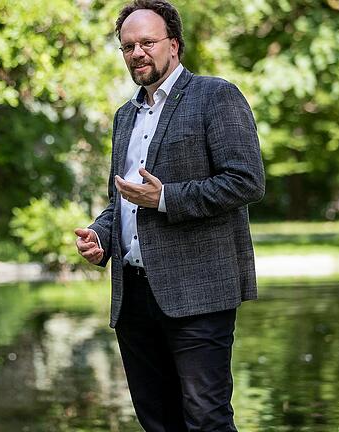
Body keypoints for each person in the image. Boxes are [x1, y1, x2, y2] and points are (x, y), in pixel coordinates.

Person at [74, 1, 265, 430]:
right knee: (156, 420)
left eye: (147, 42)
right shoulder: (126, 116)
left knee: (206, 419)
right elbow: (121, 199)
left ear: (174, 45)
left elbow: (247, 181)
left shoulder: (216, 96)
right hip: (134, 297)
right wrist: (101, 235)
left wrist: (166, 199)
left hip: (198, 290)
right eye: (127, 46)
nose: (137, 52)